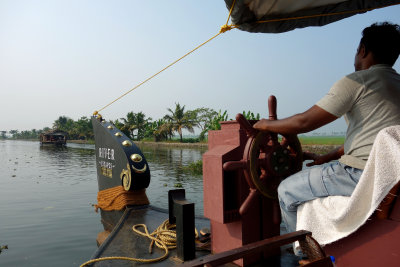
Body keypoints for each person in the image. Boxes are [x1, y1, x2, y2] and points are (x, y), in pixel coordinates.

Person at [253, 22, 400, 235]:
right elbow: (380, 138)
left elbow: (304, 122)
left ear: (362, 50)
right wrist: (329, 156)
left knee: (285, 189)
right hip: (391, 173)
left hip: (361, 174)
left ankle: (305, 255)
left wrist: (265, 124)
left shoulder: (357, 82)